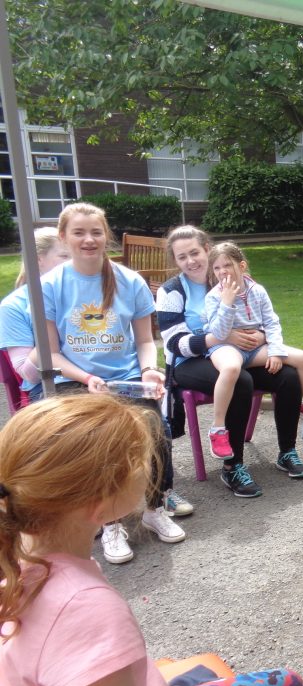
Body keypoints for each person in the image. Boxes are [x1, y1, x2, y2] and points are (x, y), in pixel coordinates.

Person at [0, 394, 303, 686]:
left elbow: (136, 682)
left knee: (286, 683)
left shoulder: (23, 561)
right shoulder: (85, 607)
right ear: (100, 504)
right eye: (143, 462)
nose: (151, 468)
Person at [41, 202, 187, 564]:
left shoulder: (130, 280)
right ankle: (110, 524)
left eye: (96, 232)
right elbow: (52, 355)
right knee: (99, 448)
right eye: (78, 232)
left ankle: (155, 509)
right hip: (77, 382)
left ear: (106, 236)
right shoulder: (50, 286)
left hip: (127, 379)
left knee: (156, 434)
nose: (88, 240)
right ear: (64, 237)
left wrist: (149, 370)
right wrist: (88, 378)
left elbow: (143, 341)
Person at [158, 226, 303, 497]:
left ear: (207, 250)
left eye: (194, 252)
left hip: (240, 353)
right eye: (182, 257)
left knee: (287, 375)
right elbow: (173, 343)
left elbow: (260, 316)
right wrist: (220, 338)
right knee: (240, 380)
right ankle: (233, 466)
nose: (190, 261)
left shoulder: (227, 274)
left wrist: (261, 335)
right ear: (176, 261)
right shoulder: (171, 291)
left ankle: (287, 451)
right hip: (190, 362)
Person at [204, 241, 303, 460]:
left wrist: (274, 351)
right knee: (231, 369)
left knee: (301, 358)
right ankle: (217, 429)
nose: (222, 271)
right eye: (216, 268)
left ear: (242, 266)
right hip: (226, 347)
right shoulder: (214, 296)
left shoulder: (258, 291)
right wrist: (227, 303)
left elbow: (272, 323)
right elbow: (218, 331)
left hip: (255, 348)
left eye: (227, 265)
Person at [0, 227, 69, 400]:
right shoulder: (14, 306)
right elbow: (28, 374)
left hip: (100, 376)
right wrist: (54, 331)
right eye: (65, 256)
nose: (74, 262)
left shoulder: (88, 295)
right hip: (53, 386)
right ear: (38, 259)